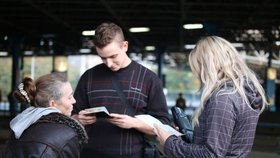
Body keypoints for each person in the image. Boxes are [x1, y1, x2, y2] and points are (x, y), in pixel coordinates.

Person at [154, 36, 267, 158]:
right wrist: (186, 140)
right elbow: (222, 146)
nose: (197, 75)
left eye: (198, 68)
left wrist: (169, 142)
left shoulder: (223, 99)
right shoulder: (242, 94)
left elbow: (211, 155)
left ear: (208, 66)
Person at [72, 22, 170, 158]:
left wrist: (134, 123)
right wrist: (78, 119)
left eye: (113, 56)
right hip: (89, 154)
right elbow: (71, 117)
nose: (109, 63)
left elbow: (163, 126)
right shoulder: (88, 77)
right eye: (103, 58)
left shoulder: (149, 79)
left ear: (125, 46)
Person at [2, 73, 88, 158]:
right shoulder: (67, 135)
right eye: (69, 97)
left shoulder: (20, 124)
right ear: (52, 103)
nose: (74, 101)